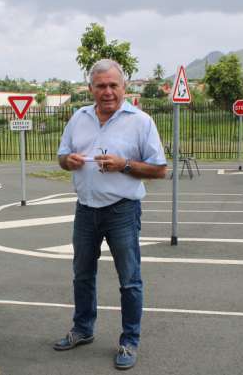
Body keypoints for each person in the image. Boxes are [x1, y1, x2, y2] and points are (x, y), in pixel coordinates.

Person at [54, 59, 167, 370]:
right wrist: (70, 161)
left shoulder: (141, 121)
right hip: (85, 209)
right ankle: (83, 329)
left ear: (124, 88)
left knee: (129, 280)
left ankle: (129, 340)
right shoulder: (79, 117)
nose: (107, 91)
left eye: (112, 85)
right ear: (91, 88)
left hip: (122, 210)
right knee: (82, 275)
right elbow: (62, 157)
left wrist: (124, 165)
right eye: (100, 86)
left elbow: (159, 169)